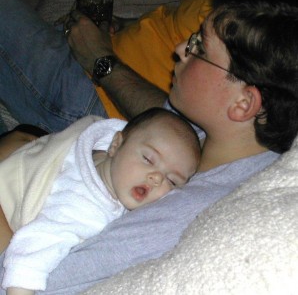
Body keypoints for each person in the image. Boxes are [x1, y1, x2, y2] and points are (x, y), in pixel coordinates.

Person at [1, 0, 298, 294]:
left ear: (244, 102)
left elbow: (28, 283)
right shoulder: (238, 143)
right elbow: (163, 120)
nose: (181, 48)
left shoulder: (173, 218)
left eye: (200, 47)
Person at [0, 107, 200, 294]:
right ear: (115, 144)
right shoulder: (83, 207)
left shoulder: (102, 154)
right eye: (148, 159)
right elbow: (30, 254)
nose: (156, 178)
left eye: (172, 181)